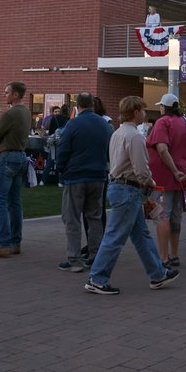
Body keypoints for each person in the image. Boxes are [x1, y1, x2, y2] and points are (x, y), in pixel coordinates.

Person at [84, 96, 179, 295]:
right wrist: (151, 182)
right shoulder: (135, 136)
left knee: (141, 235)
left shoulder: (118, 133)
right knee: (115, 236)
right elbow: (141, 168)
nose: (145, 114)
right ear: (136, 112)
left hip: (121, 187)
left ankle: (157, 274)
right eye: (143, 110)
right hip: (128, 189)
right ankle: (97, 278)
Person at [56, 92, 110, 271]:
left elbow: (63, 148)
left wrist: (61, 168)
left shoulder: (73, 124)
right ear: (92, 105)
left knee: (72, 219)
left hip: (76, 176)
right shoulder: (104, 124)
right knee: (94, 217)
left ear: (77, 105)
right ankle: (96, 255)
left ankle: (75, 259)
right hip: (98, 176)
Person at [145, 93, 186, 268]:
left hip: (164, 177)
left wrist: (174, 171)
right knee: (176, 217)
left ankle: (163, 257)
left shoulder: (162, 122)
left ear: (164, 107)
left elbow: (162, 149)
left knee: (162, 216)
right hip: (183, 177)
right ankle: (174, 254)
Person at [0, 81, 30, 257]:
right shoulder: (26, 112)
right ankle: (15, 242)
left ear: (15, 95)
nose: (5, 95)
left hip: (7, 157)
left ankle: (3, 244)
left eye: (7, 92)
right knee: (15, 202)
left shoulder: (10, 113)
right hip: (20, 157)